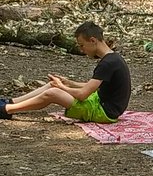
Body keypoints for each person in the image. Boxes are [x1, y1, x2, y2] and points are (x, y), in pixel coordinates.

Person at [0, 21, 131, 122]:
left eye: (81, 45)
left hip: (104, 112)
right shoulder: (112, 58)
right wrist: (68, 83)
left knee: (52, 93)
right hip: (101, 102)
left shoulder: (108, 63)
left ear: (93, 40)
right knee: (53, 85)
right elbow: (91, 87)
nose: (81, 50)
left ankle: (7, 110)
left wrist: (61, 87)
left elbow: (82, 95)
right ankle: (11, 101)